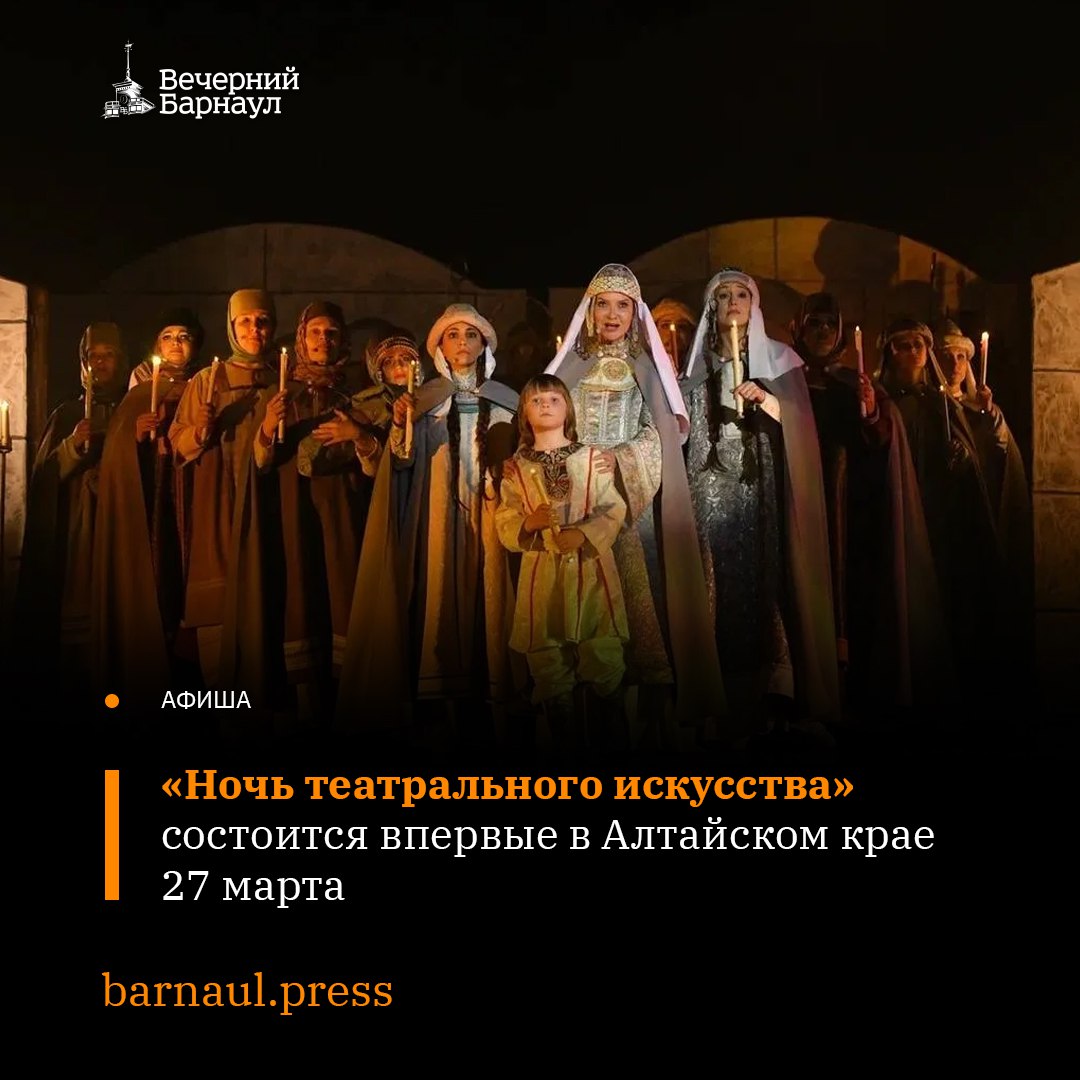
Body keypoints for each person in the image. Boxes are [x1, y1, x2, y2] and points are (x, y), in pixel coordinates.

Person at [547, 263, 725, 744]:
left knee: (639, 611)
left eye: (622, 306)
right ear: (589, 310)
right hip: (578, 502)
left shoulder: (646, 366)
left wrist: (622, 459)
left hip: (632, 505)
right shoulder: (567, 367)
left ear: (634, 313)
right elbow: (546, 425)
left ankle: (645, 728)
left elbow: (660, 432)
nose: (612, 314)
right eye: (603, 304)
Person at [336, 303, 521, 741]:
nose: (462, 343)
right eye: (452, 335)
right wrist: (402, 425)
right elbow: (400, 464)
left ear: (485, 344)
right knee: (439, 598)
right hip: (437, 516)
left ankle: (498, 716)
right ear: (438, 346)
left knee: (493, 598)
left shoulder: (506, 399)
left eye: (471, 335)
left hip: (491, 515)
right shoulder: (423, 399)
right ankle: (444, 717)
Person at [682, 268, 839, 739]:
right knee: (713, 579)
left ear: (754, 306)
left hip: (762, 492)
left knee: (765, 579)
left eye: (741, 295)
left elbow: (804, 430)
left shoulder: (781, 360)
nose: (733, 302)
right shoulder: (696, 366)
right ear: (711, 307)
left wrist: (769, 402)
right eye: (723, 296)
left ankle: (772, 694)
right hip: (709, 489)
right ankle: (714, 696)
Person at [790, 294, 949, 716]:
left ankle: (852, 697)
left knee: (851, 598)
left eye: (830, 324)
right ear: (799, 329)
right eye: (815, 323)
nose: (823, 331)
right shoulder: (784, 382)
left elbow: (881, 443)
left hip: (849, 514)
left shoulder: (854, 383)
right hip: (797, 504)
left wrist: (872, 412)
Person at [220, 300, 368, 725]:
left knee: (343, 597)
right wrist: (269, 426)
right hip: (293, 513)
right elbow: (260, 462)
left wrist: (358, 435)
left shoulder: (354, 395)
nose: (324, 340)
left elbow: (374, 461)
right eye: (315, 332)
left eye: (332, 333)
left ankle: (346, 710)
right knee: (300, 598)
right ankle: (304, 709)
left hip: (343, 514)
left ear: (343, 340)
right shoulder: (280, 393)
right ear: (302, 339)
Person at [495, 375, 629, 750]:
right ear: (524, 412)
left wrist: (585, 534)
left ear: (568, 408)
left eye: (554, 399)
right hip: (543, 578)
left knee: (603, 656)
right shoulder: (517, 468)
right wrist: (528, 523)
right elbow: (505, 518)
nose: (545, 406)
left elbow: (613, 507)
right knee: (549, 664)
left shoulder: (590, 458)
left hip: (592, 573)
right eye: (536, 401)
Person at [878, 317, 1003, 694]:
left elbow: (973, 458)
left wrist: (960, 458)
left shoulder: (940, 403)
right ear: (890, 352)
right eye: (903, 345)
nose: (913, 352)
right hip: (895, 508)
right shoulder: (881, 400)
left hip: (938, 517)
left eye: (919, 344)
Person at [91, 308, 203, 700]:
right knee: (158, 582)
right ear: (156, 345)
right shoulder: (139, 393)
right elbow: (117, 459)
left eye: (184, 336)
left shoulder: (205, 386)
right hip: (155, 503)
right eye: (167, 336)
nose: (176, 344)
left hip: (195, 497)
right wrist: (135, 437)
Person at [168, 288, 278, 690]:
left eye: (262, 321)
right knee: (219, 648)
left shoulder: (281, 380)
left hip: (267, 511)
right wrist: (201, 431)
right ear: (232, 327)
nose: (254, 329)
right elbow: (177, 444)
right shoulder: (206, 382)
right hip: (218, 509)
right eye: (245, 321)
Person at [15, 322, 129, 684]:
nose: (101, 363)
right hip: (79, 535)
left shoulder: (134, 409)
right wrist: (72, 447)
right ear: (82, 362)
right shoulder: (66, 414)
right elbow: (43, 479)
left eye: (109, 355)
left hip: (122, 527)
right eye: (93, 356)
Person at [349, 327, 423, 478]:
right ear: (379, 372)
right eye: (388, 362)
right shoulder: (370, 409)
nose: (398, 366)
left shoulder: (432, 398)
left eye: (405, 358)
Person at [650, 298, 697, 376]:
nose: (674, 332)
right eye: (665, 326)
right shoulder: (645, 367)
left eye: (682, 326)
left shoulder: (700, 367)